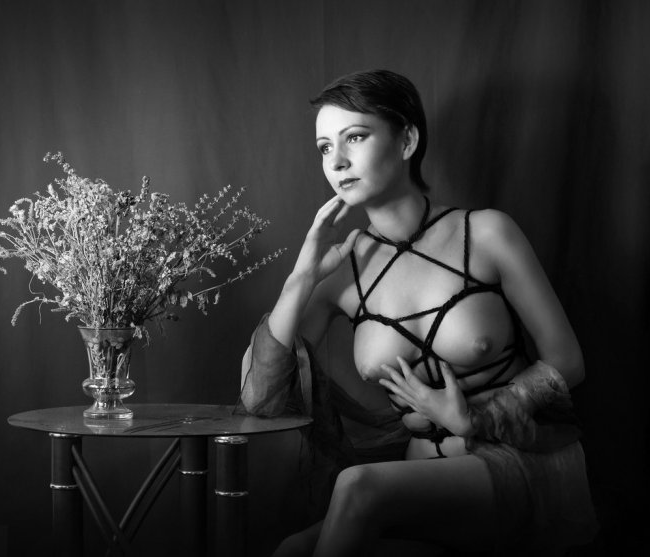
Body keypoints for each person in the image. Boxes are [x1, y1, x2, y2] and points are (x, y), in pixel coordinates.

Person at [238, 69, 598, 556]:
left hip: (517, 463)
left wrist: (477, 419)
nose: (337, 161)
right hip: (417, 475)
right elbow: (261, 400)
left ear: (407, 140)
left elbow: (568, 361)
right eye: (324, 147)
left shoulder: (486, 234)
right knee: (291, 550)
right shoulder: (341, 273)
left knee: (357, 487)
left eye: (355, 137)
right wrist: (302, 276)